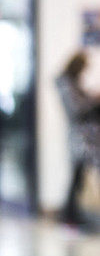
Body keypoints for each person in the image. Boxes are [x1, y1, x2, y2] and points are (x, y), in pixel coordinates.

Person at [55, 50, 100, 226]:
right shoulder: (66, 84)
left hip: (85, 139)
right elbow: (77, 110)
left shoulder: (73, 84)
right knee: (76, 179)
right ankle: (68, 217)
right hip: (82, 140)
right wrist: (94, 102)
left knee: (78, 179)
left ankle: (71, 216)